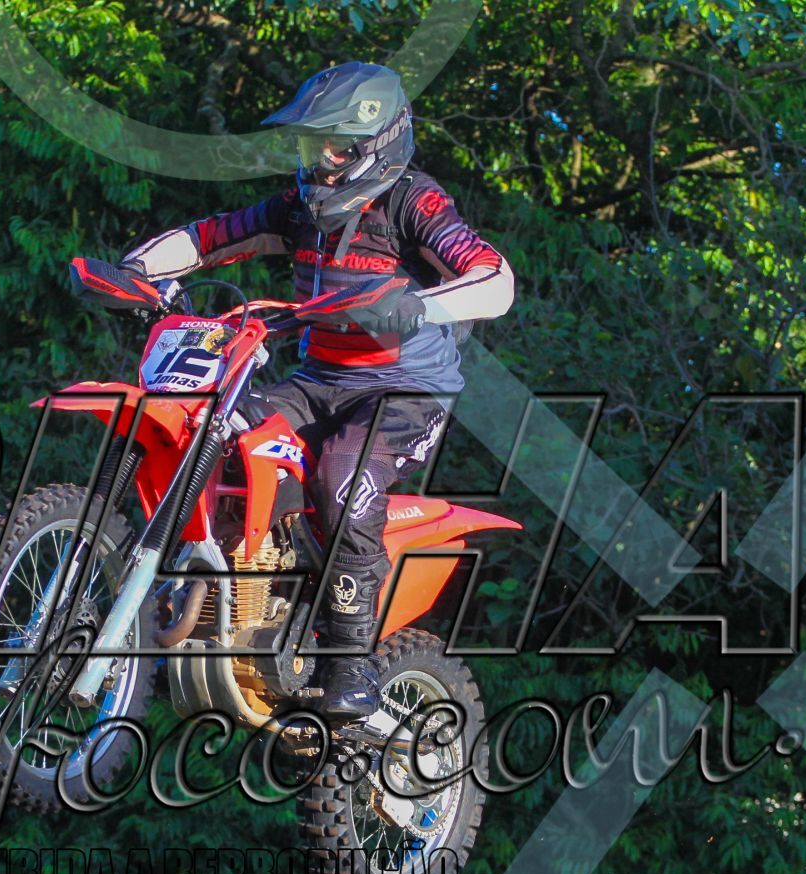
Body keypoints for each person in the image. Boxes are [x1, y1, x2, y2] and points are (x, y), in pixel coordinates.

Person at [119, 61, 514, 718]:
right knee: (215, 435)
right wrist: (135, 272)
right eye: (309, 145)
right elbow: (209, 237)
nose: (317, 162)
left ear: (374, 145)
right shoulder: (300, 208)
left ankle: (350, 665)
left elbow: (495, 280)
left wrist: (419, 306)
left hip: (405, 390)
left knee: (343, 478)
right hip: (318, 380)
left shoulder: (413, 202)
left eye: (332, 147)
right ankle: (209, 606)